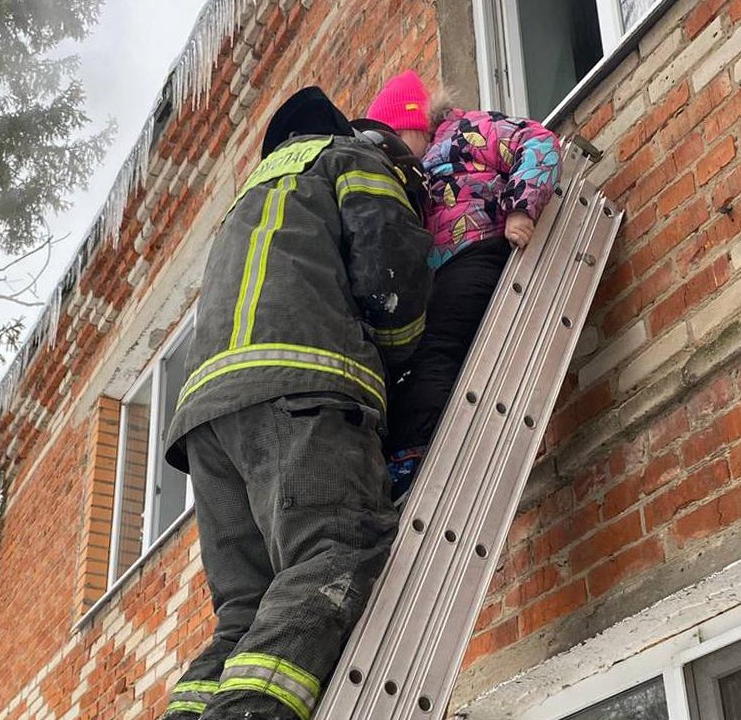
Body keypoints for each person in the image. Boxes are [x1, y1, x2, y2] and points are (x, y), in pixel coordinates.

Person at [160, 86, 433, 720]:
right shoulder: (350, 160)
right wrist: (402, 358)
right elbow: (391, 273)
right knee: (336, 548)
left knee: (245, 616)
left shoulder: (250, 197)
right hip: (300, 390)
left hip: (207, 423)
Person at [366, 70, 563, 505]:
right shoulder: (406, 177)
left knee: (436, 347)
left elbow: (539, 142)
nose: (392, 153)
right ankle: (396, 453)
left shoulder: (467, 132)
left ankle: (414, 453)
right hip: (434, 280)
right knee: (407, 357)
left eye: (396, 139)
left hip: (476, 251)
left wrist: (520, 209)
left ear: (415, 123)